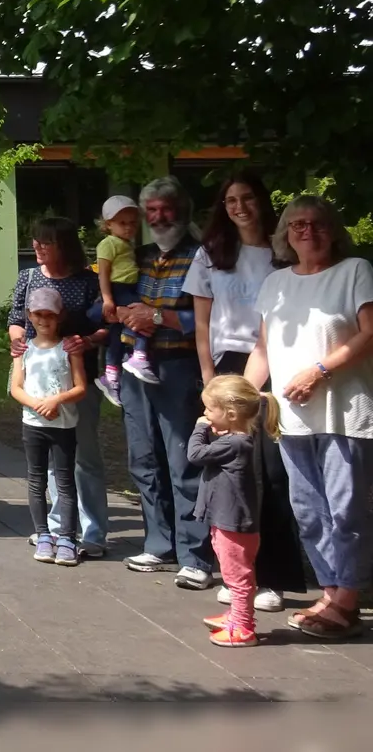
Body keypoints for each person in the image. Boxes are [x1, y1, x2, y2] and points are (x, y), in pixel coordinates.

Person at [246, 195, 373, 640]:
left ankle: (348, 600)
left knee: (346, 509)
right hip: (291, 416)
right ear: (285, 234)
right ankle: (331, 589)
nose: (307, 232)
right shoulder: (275, 283)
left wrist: (320, 371)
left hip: (345, 412)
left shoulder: (354, 271)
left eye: (316, 224)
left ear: (332, 230)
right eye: (297, 225)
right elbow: (263, 349)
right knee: (308, 510)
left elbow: (370, 332)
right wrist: (237, 398)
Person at [186, 171, 300, 612]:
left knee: (271, 475)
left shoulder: (282, 253)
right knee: (231, 477)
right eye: (231, 199)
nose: (239, 206)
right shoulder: (211, 254)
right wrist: (210, 382)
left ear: (262, 201)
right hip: (226, 370)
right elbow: (201, 323)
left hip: (274, 365)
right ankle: (238, 578)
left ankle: (273, 578)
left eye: (247, 197)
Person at [115, 177, 217, 589]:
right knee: (143, 459)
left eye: (165, 208)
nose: (158, 217)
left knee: (183, 460)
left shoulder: (203, 257)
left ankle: (197, 555)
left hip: (179, 365)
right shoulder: (133, 256)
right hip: (133, 367)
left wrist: (157, 317)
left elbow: (212, 320)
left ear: (183, 210)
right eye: (151, 210)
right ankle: (159, 544)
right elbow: (107, 300)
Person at [6, 217, 110, 558]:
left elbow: (106, 325)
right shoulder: (28, 277)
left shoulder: (87, 281)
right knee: (50, 463)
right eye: (35, 240)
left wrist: (87, 340)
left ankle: (92, 532)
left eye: (44, 242)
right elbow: (14, 322)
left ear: (63, 245)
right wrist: (19, 343)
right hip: (37, 381)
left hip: (76, 379)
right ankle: (55, 530)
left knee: (86, 457)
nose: (36, 247)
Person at [190, 376, 281, 649]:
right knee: (233, 573)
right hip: (225, 519)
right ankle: (237, 617)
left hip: (233, 523)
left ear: (230, 414)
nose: (204, 415)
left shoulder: (236, 444)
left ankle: (243, 627)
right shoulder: (234, 439)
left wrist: (199, 429)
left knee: (237, 577)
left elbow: (195, 455)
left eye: (209, 409)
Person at [8, 288, 87, 566]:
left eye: (49, 315)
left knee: (64, 481)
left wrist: (57, 400)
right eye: (38, 315)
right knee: (36, 479)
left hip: (63, 424)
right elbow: (16, 387)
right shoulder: (24, 350)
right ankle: (43, 534)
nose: (44, 320)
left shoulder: (68, 348)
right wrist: (36, 404)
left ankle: (67, 537)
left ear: (59, 316)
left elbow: (80, 387)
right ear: (30, 316)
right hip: (33, 424)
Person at [95, 195, 156, 396]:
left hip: (128, 287)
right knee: (141, 316)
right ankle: (139, 355)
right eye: (122, 223)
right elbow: (103, 272)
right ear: (108, 224)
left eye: (132, 223)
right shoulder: (108, 244)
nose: (128, 228)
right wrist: (108, 298)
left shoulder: (126, 244)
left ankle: (111, 374)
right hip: (119, 288)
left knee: (115, 334)